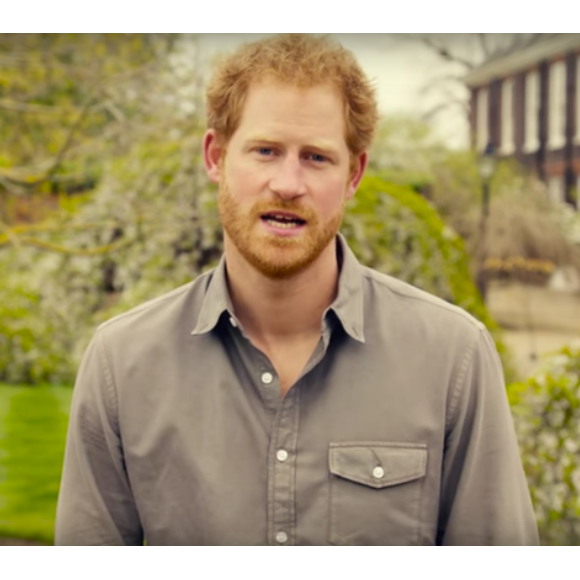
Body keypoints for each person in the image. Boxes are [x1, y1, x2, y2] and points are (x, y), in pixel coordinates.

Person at [55, 33, 539, 547]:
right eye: (265, 150)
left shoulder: (453, 359)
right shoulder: (122, 365)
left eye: (316, 158)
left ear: (353, 174)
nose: (288, 183)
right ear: (216, 157)